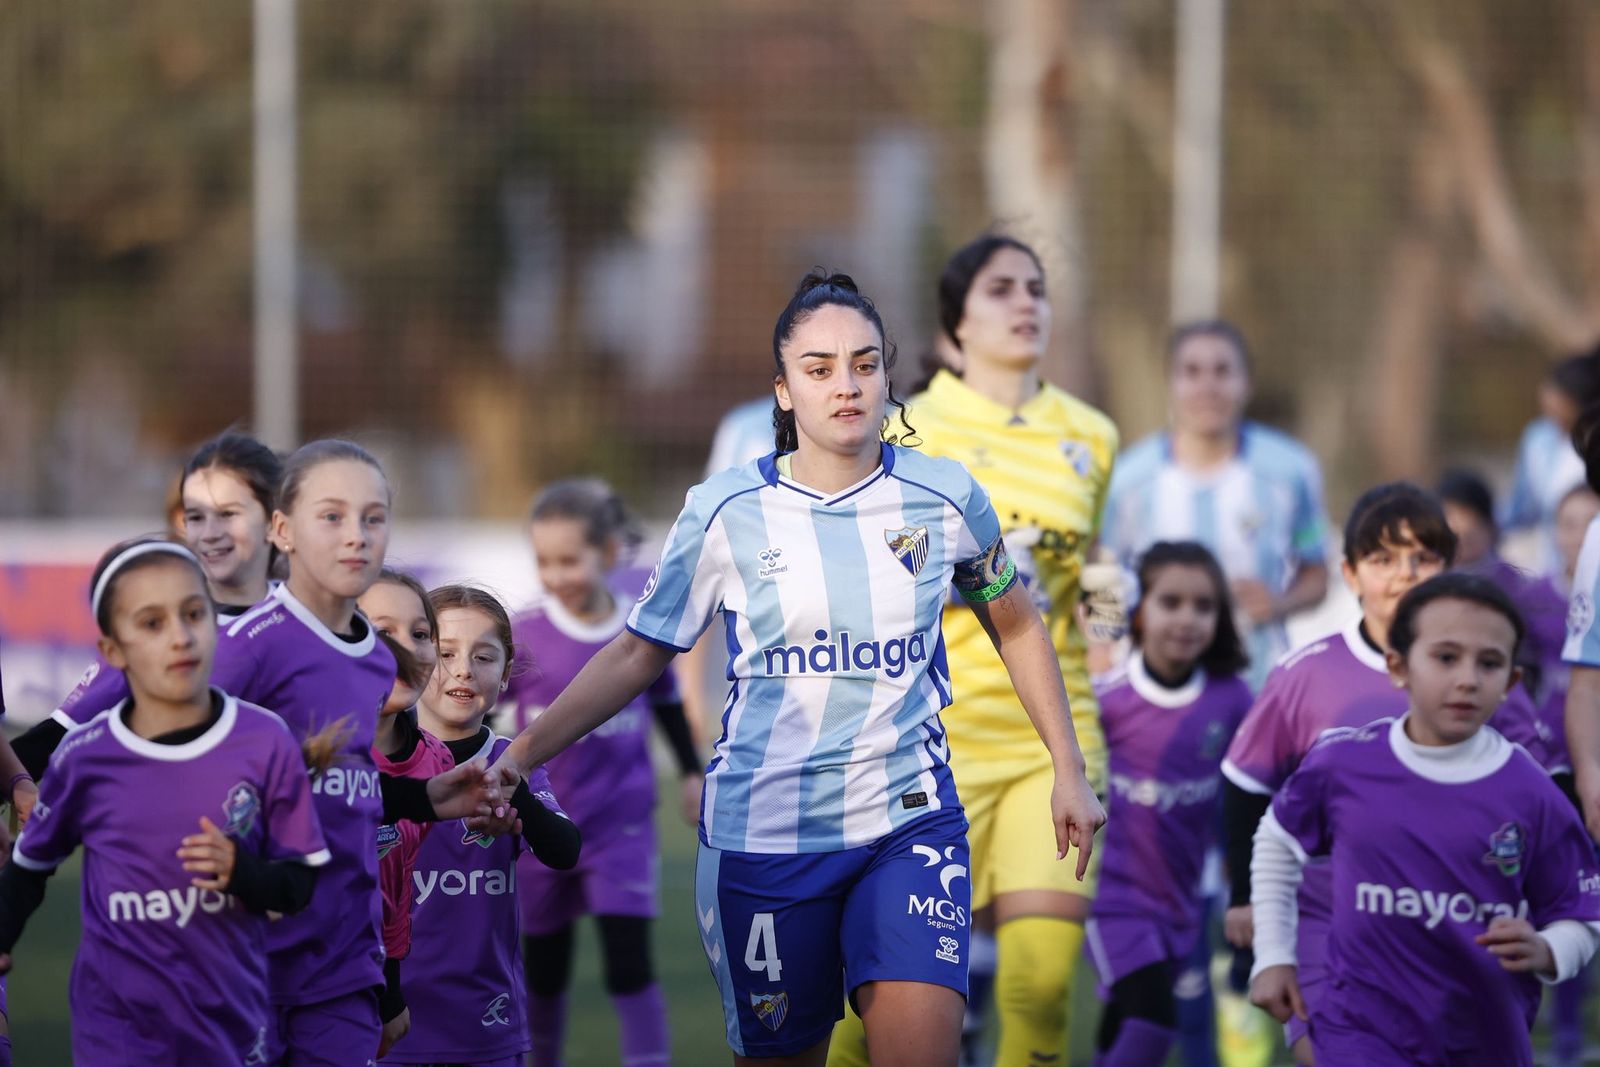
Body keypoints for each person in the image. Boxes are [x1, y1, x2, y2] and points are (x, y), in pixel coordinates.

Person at [492, 270, 1105, 1067]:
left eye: (864, 363)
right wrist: (519, 756)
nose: (845, 385)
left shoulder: (945, 496)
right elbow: (639, 649)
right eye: (819, 369)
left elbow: (1016, 621)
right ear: (783, 391)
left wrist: (1068, 765)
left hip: (908, 821)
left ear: (889, 375)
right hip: (765, 836)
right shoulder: (723, 511)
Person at [837, 234, 1115, 1067]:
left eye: (1037, 287)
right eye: (1001, 289)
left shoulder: (1091, 433)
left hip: (1049, 743)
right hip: (928, 746)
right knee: (873, 1011)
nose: (1027, 302)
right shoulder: (909, 427)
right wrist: (971, 580)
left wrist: (1105, 642)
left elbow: (1102, 562)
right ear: (956, 320)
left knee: (1040, 990)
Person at [0, 538, 331, 1062]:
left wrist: (242, 872)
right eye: (151, 624)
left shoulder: (267, 740)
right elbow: (27, 869)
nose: (179, 636)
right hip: (116, 1033)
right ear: (112, 651)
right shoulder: (85, 757)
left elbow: (299, 884)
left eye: (194, 614)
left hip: (232, 1026)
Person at [1249, 573, 1600, 1065]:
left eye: (1490, 663)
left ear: (1511, 683)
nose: (1467, 679)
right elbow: (1276, 840)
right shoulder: (1344, 764)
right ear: (1398, 666)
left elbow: (1581, 910)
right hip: (1361, 1026)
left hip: (1484, 1036)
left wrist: (1547, 949)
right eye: (1446, 657)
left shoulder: (1531, 791)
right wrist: (1273, 957)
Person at [1220, 482, 1455, 1064]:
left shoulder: (1481, 673)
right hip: (1329, 926)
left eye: (1422, 557)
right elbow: (1247, 784)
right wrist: (1244, 898)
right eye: (1383, 559)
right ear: (1349, 574)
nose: (1405, 574)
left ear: (1449, 566)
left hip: (1450, 922)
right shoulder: (1307, 673)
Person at [505, 479, 701, 1067]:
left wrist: (691, 772)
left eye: (570, 559)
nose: (557, 573)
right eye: (545, 561)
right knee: (543, 971)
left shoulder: (639, 635)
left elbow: (666, 703)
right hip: (540, 829)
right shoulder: (522, 634)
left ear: (608, 553)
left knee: (629, 964)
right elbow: (483, 709)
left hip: (621, 827)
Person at [18, 430, 285, 773]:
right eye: (196, 516)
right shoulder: (157, 627)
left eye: (228, 514)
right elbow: (62, 735)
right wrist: (13, 776)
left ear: (274, 519)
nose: (211, 533)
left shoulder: (315, 623)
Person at [390, 584, 580, 1067]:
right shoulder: (377, 763)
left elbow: (564, 849)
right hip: (386, 1014)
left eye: (484, 656)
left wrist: (517, 807)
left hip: (484, 1021)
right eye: (444, 652)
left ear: (506, 675)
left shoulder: (511, 761)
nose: (463, 670)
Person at [1086, 542, 1252, 1066]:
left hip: (1180, 902)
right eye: (1171, 602)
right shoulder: (1105, 696)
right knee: (1153, 1023)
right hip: (1110, 899)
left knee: (1124, 1029)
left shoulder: (1234, 700)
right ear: (1139, 610)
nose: (1187, 619)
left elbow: (1248, 796)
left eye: (1203, 606)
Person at [1101, 320, 1329, 693]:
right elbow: (1101, 575)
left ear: (1247, 383)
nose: (1207, 387)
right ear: (1170, 384)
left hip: (1257, 688)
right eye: (1191, 372)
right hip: (1153, 693)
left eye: (1223, 371)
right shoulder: (1128, 480)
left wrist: (1279, 602)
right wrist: (1101, 647)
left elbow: (1317, 573)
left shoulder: (1291, 470)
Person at [359, 569, 458, 1057]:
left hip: (366, 986)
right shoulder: (298, 748)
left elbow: (393, 891)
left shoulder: (435, 760)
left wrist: (389, 990)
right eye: (381, 632)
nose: (408, 648)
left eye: (421, 634)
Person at [1436, 468, 1566, 698]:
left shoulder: (1519, 589)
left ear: (1488, 526)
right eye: (1450, 531)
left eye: (1469, 529)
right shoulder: (1428, 586)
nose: (1460, 540)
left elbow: (1532, 664)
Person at [1504, 347, 1600, 573]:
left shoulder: (1593, 443)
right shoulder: (1538, 438)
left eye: (1558, 396)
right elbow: (1523, 507)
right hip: (1555, 562)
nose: (1548, 401)